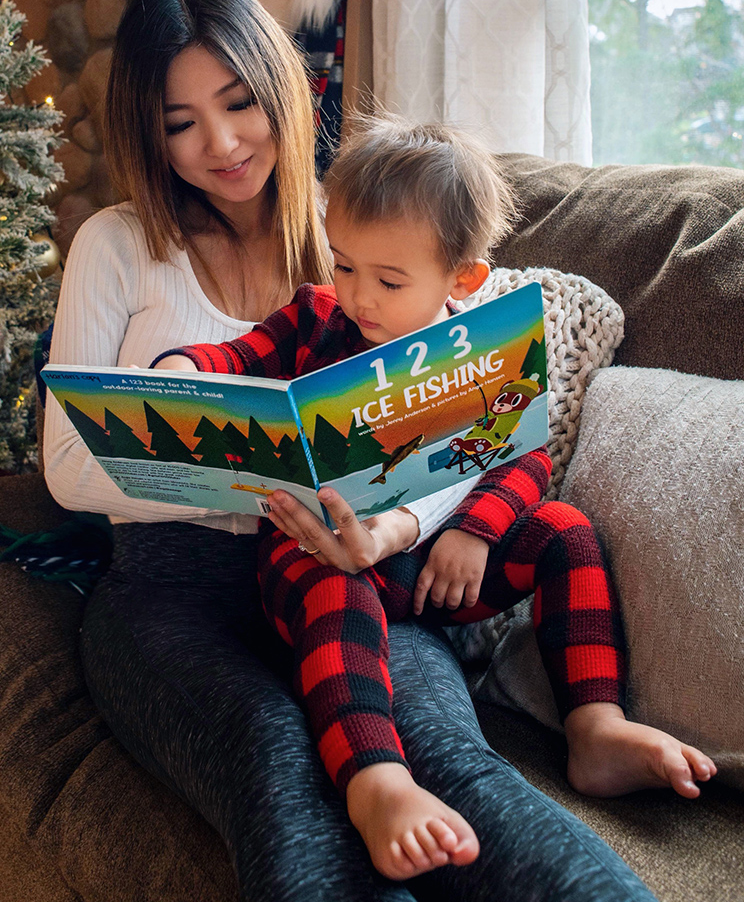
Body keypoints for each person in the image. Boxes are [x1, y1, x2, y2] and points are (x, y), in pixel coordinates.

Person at [45, 0, 663, 902]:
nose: (221, 143)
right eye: (179, 123)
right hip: (176, 591)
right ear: (147, 132)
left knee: (451, 768)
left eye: (240, 101)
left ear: (283, 90)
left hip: (359, 566)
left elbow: (480, 423)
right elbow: (67, 466)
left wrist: (404, 526)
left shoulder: (356, 236)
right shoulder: (121, 246)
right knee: (280, 761)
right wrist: (214, 433)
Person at [152, 114, 717, 880]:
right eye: (345, 264)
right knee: (332, 591)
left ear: (463, 279)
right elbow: (239, 353)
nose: (360, 297)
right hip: (325, 554)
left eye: (389, 281)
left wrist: (478, 531)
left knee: (567, 534)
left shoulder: (482, 353)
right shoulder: (317, 316)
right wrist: (186, 368)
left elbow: (524, 463)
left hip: (439, 568)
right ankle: (375, 781)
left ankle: (596, 727)